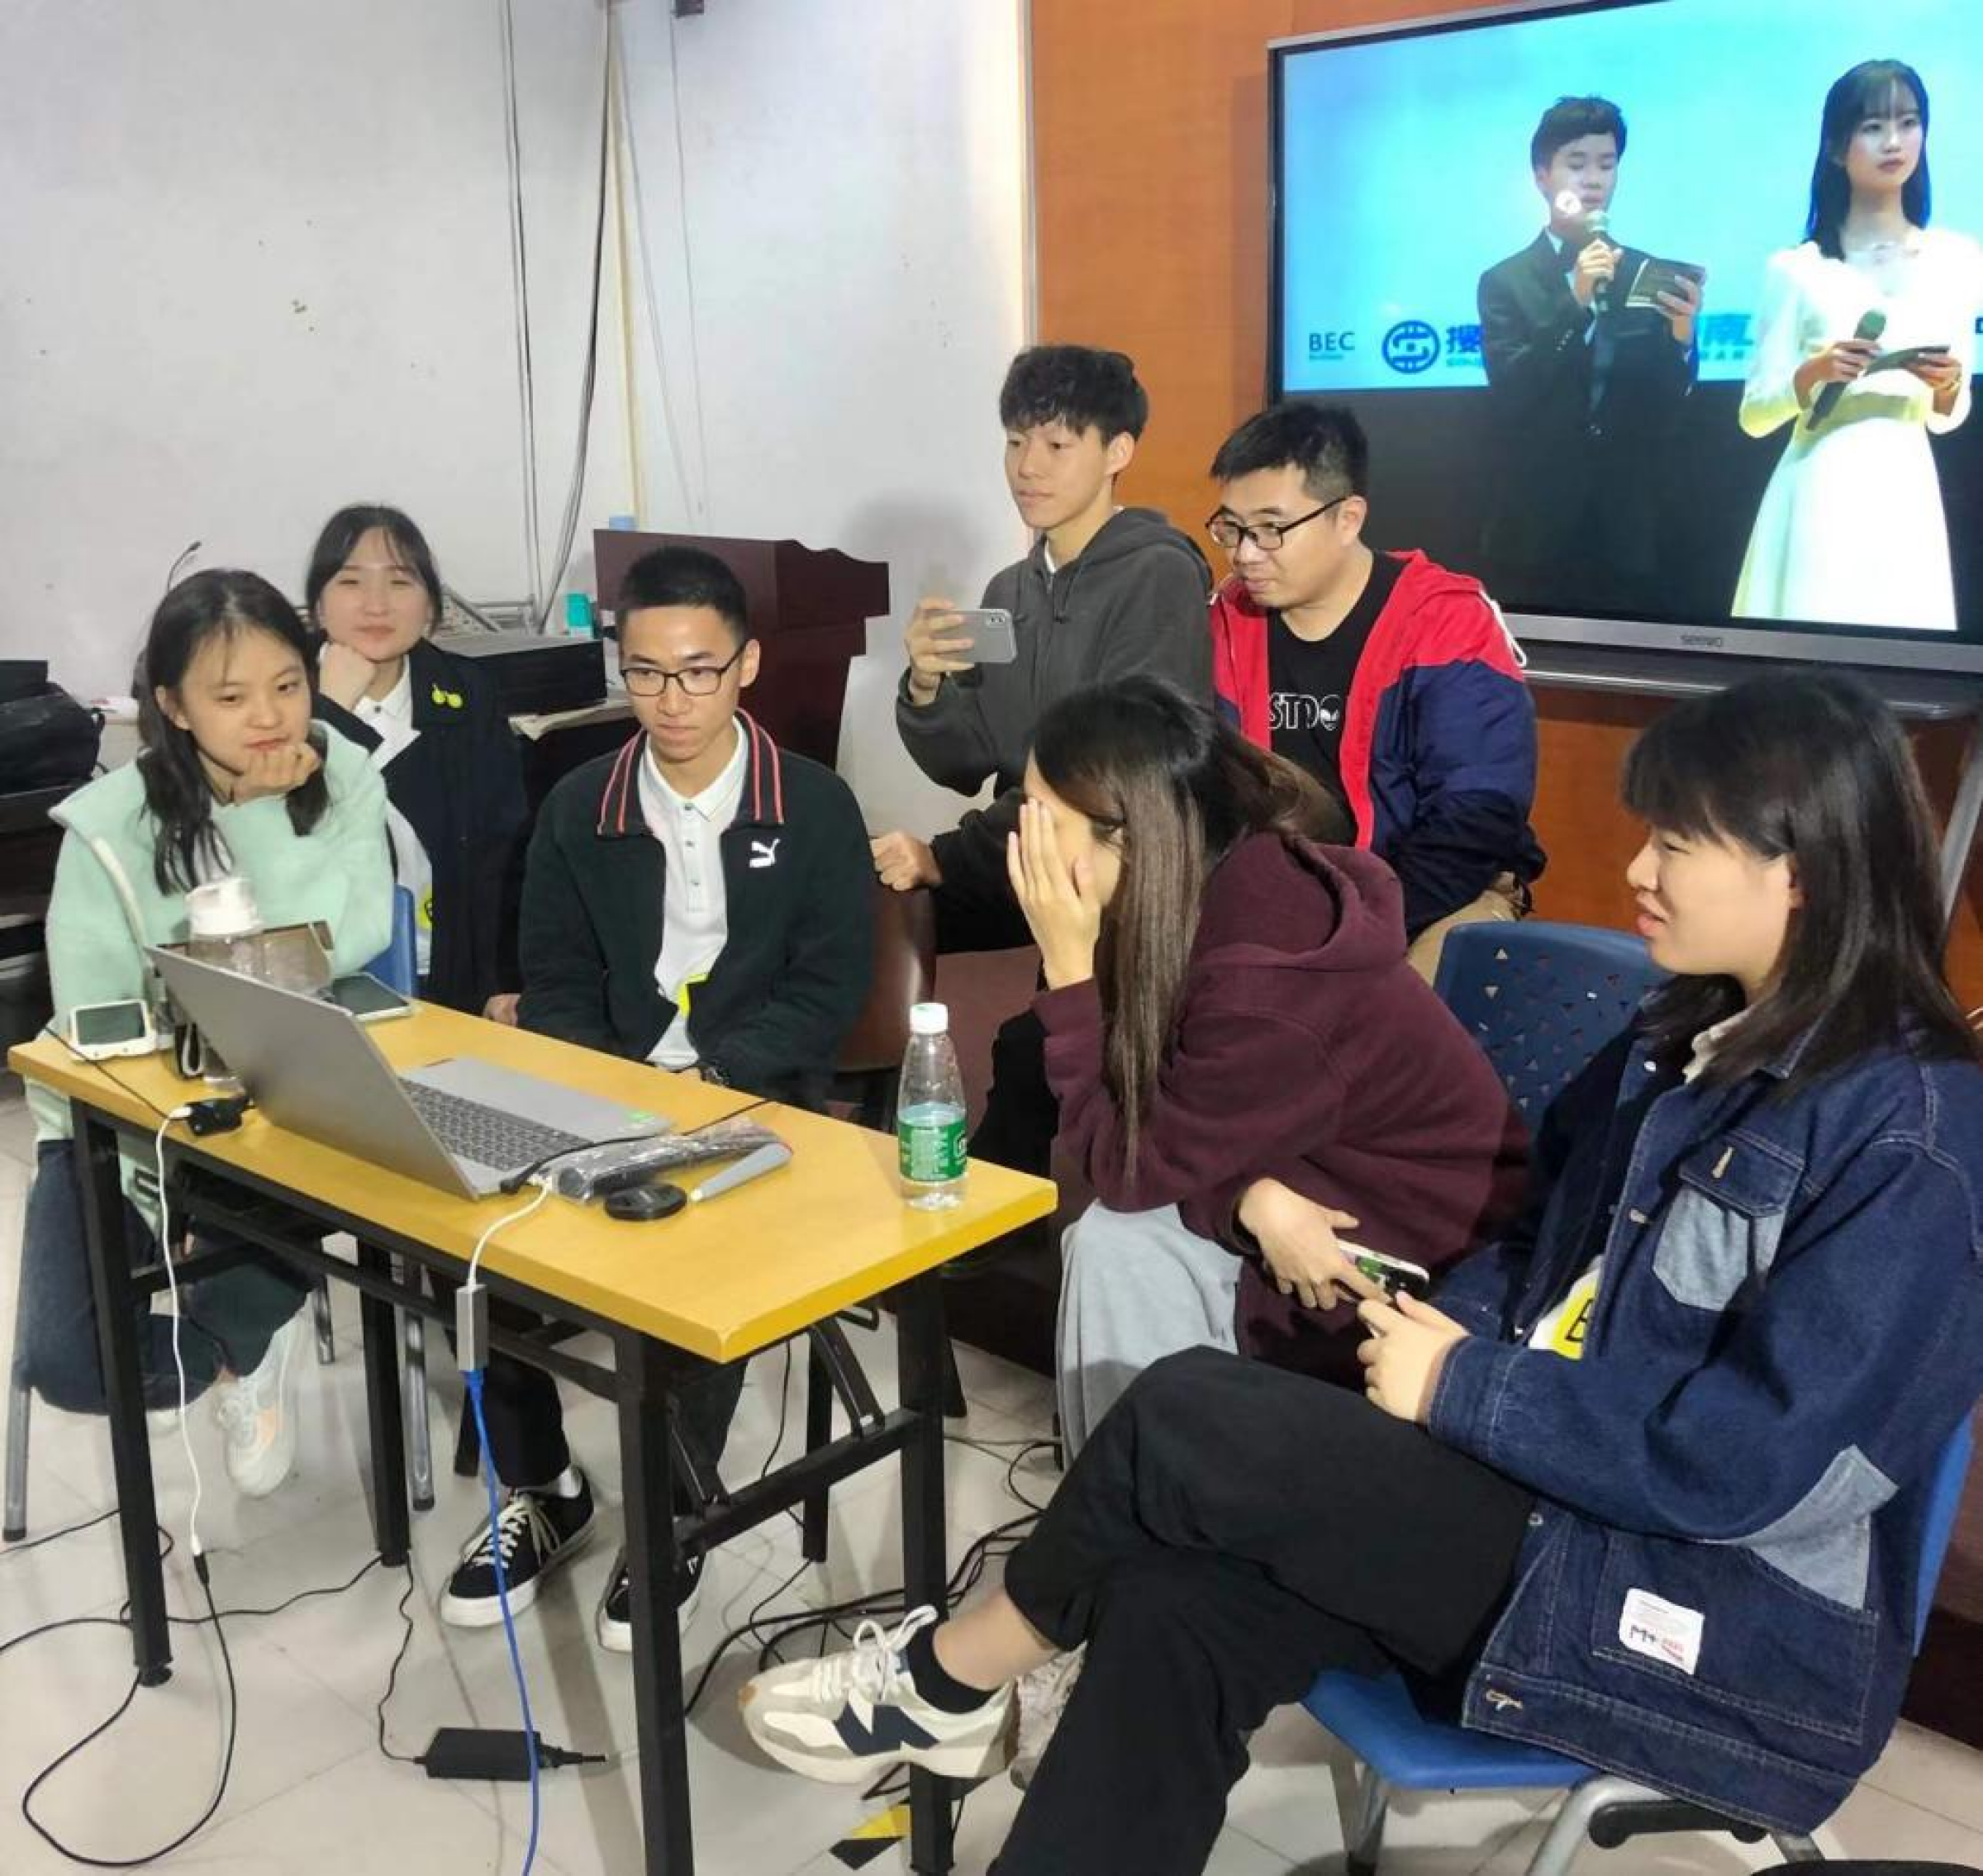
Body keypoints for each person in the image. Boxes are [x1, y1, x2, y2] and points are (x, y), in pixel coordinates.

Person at [739, 667, 1983, 1876]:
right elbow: (1532, 1249)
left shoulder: (1909, 1139)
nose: (1638, 872)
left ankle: (949, 1677)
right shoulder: (1680, 1038)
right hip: (1539, 1492)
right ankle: (971, 1695)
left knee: (1184, 1412)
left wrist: (1463, 1387)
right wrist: (1442, 1336)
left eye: (1676, 844)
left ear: (1799, 871)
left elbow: (1753, 1466)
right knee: (1170, 1601)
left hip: (1686, 1617)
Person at [435, 545, 873, 1651]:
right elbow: (557, 981)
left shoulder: (814, 804)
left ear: (747, 665)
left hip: (757, 1102)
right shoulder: (579, 804)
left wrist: (711, 1087)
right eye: (645, 672)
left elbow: (827, 989)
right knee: (474, 1247)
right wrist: (618, 1100)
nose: (672, 700)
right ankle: (546, 1487)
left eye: (698, 671)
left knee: (702, 1254)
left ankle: (676, 1511)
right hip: (610, 1091)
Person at [1005, 678, 1525, 1460]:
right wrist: (1247, 1197)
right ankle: (1126, 1506)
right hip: (1304, 1191)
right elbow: (1174, 1125)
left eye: (1042, 817)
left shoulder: (1267, 982)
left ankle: (1138, 1509)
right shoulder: (1196, 882)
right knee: (1116, 1241)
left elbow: (1124, 1163)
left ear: (1128, 836)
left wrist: (1070, 969)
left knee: (1119, 1240)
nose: (1023, 842)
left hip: (1402, 1268)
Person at [18, 572, 392, 1495]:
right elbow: (93, 1017)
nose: (268, 717)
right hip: (126, 1116)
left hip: (292, 1093)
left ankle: (236, 1338)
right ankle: (226, 1342)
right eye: (230, 697)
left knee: (349, 1188)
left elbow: (347, 938)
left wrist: (258, 817)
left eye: (288, 686)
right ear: (175, 708)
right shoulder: (109, 824)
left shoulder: (344, 775)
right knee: (71, 1364)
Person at [870, 344, 1213, 1190]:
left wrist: (947, 857)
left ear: (1118, 451)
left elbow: (1116, 785)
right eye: (1016, 441)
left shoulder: (1159, 575)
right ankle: (866, 1127)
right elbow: (968, 760)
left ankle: (1001, 1204)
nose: (1028, 466)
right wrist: (926, 685)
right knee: (861, 906)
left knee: (1029, 1054)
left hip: (1121, 876)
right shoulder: (1010, 589)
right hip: (1026, 851)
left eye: (1057, 445)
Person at [1207, 402, 1545, 981]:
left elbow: (1474, 825)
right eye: (1232, 528)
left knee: (1390, 1011)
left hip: (1432, 897)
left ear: (1348, 518)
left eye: (1270, 529)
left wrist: (1351, 927)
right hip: (1282, 897)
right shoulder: (1228, 619)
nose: (1245, 553)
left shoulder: (1446, 623)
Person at [1733, 60, 1981, 633]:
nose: (1894, 141)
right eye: (1873, 126)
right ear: (1836, 147)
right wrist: (1815, 372)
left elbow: (1949, 413)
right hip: (1818, 483)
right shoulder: (1796, 269)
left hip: (1906, 483)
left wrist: (1946, 385)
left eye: (1908, 122)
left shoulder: (1958, 259)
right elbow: (1754, 415)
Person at [1477, 96, 1701, 611]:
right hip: (1535, 527)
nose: (1593, 180)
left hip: (1631, 528)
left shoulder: (1645, 272)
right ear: (1541, 176)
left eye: (1606, 164)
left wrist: (1682, 338)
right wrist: (1574, 303)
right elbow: (1513, 391)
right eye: (1576, 164)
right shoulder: (1505, 281)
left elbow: (1669, 408)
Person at [306, 504, 529, 1016]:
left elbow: (504, 853)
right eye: (351, 582)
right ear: (318, 606)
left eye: (400, 582)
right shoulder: (285, 698)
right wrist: (330, 715)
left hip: (451, 977)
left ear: (430, 607)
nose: (376, 605)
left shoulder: (466, 693)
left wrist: (505, 982)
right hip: (327, 983)